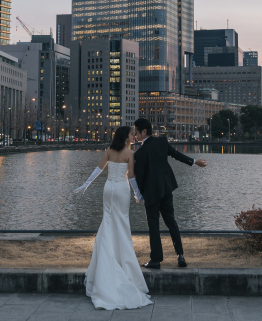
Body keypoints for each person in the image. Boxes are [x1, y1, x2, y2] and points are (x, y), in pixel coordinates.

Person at [74, 126, 152, 310]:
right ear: (126, 137)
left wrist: (86, 184)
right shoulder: (130, 153)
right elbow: (131, 176)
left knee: (107, 222)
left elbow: (98, 169)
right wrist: (138, 194)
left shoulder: (109, 151)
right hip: (121, 189)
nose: (134, 135)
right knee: (122, 225)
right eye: (132, 133)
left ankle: (106, 261)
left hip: (108, 189)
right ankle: (121, 261)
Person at [132, 118, 207, 269]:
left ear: (144, 131)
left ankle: (156, 260)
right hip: (166, 189)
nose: (135, 135)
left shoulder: (139, 153)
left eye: (136, 132)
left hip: (151, 194)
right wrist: (194, 162)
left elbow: (139, 178)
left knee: (154, 226)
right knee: (171, 222)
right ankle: (180, 255)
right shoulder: (162, 142)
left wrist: (139, 196)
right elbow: (176, 155)